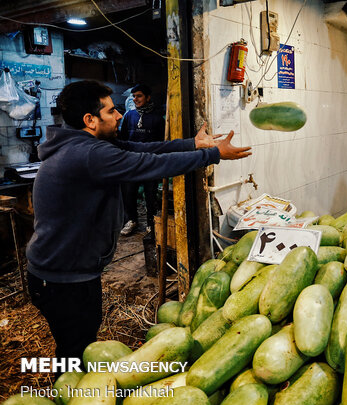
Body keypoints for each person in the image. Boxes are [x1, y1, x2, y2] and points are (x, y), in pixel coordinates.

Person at [25, 80, 250, 366]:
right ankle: (71, 400)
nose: (120, 115)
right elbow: (149, 164)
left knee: (79, 346)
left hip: (64, 272)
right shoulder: (89, 155)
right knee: (75, 355)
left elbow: (143, 149)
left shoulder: (84, 145)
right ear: (90, 120)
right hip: (62, 279)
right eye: (110, 111)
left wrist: (192, 143)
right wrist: (213, 154)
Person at [118, 84, 164, 235]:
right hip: (132, 162)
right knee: (129, 192)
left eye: (139, 96)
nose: (135, 99)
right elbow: (123, 138)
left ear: (148, 97)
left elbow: (161, 142)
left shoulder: (157, 118)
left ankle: (151, 222)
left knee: (150, 194)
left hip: (150, 162)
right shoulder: (129, 116)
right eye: (134, 96)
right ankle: (131, 221)